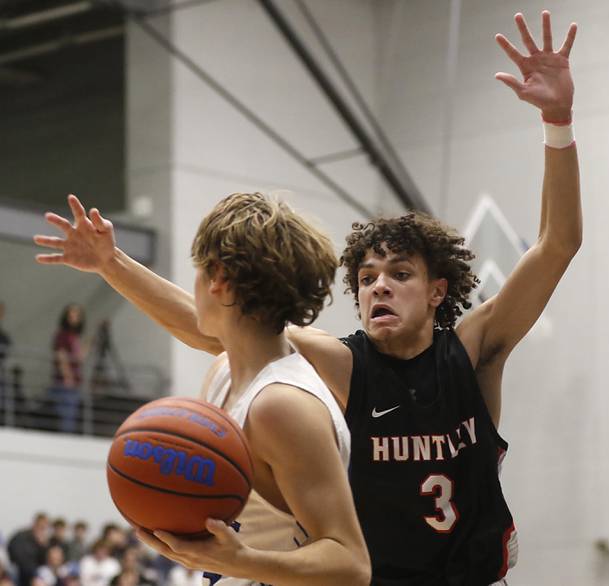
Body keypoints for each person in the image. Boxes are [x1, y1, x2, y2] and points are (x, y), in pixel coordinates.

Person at [34, 10, 580, 585]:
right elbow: (219, 326)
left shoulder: (473, 350)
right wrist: (110, 263)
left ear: (438, 290)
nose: (379, 286)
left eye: (399, 273)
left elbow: (558, 243)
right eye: (367, 277)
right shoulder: (341, 362)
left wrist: (557, 122)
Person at [40, 193, 370, 585]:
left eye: (197, 270)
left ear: (218, 279)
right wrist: (109, 262)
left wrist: (240, 561)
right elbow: (192, 325)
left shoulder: (281, 405)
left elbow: (351, 564)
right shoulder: (225, 371)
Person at [50, 304, 85, 433]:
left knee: (71, 416)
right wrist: (68, 377)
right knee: (66, 418)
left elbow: (79, 357)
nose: (74, 318)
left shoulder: (74, 336)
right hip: (65, 383)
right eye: (72, 315)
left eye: (77, 315)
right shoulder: (62, 335)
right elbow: (61, 356)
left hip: (73, 383)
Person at [8, 512, 50, 586]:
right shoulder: (21, 536)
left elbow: (44, 562)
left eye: (44, 527)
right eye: (40, 526)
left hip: (35, 571)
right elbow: (16, 556)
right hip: (20, 570)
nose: (41, 529)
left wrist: (42, 547)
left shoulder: (43, 542)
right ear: (34, 524)